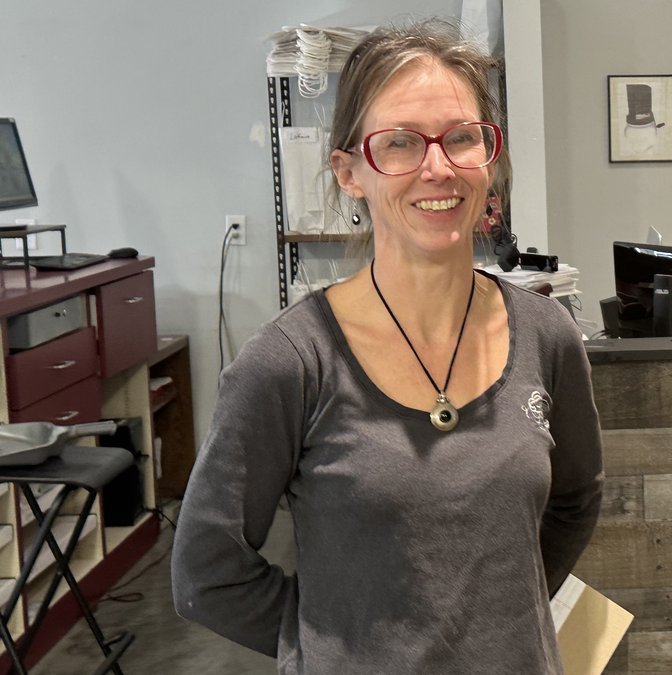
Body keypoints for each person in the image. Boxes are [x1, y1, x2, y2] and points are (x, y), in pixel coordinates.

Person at [172, 19, 604, 674]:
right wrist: (333, 642)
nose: (438, 167)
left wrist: (495, 623)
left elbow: (575, 499)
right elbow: (207, 573)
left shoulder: (547, 335)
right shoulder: (290, 362)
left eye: (461, 137)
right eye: (399, 142)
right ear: (349, 172)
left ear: (490, 157)